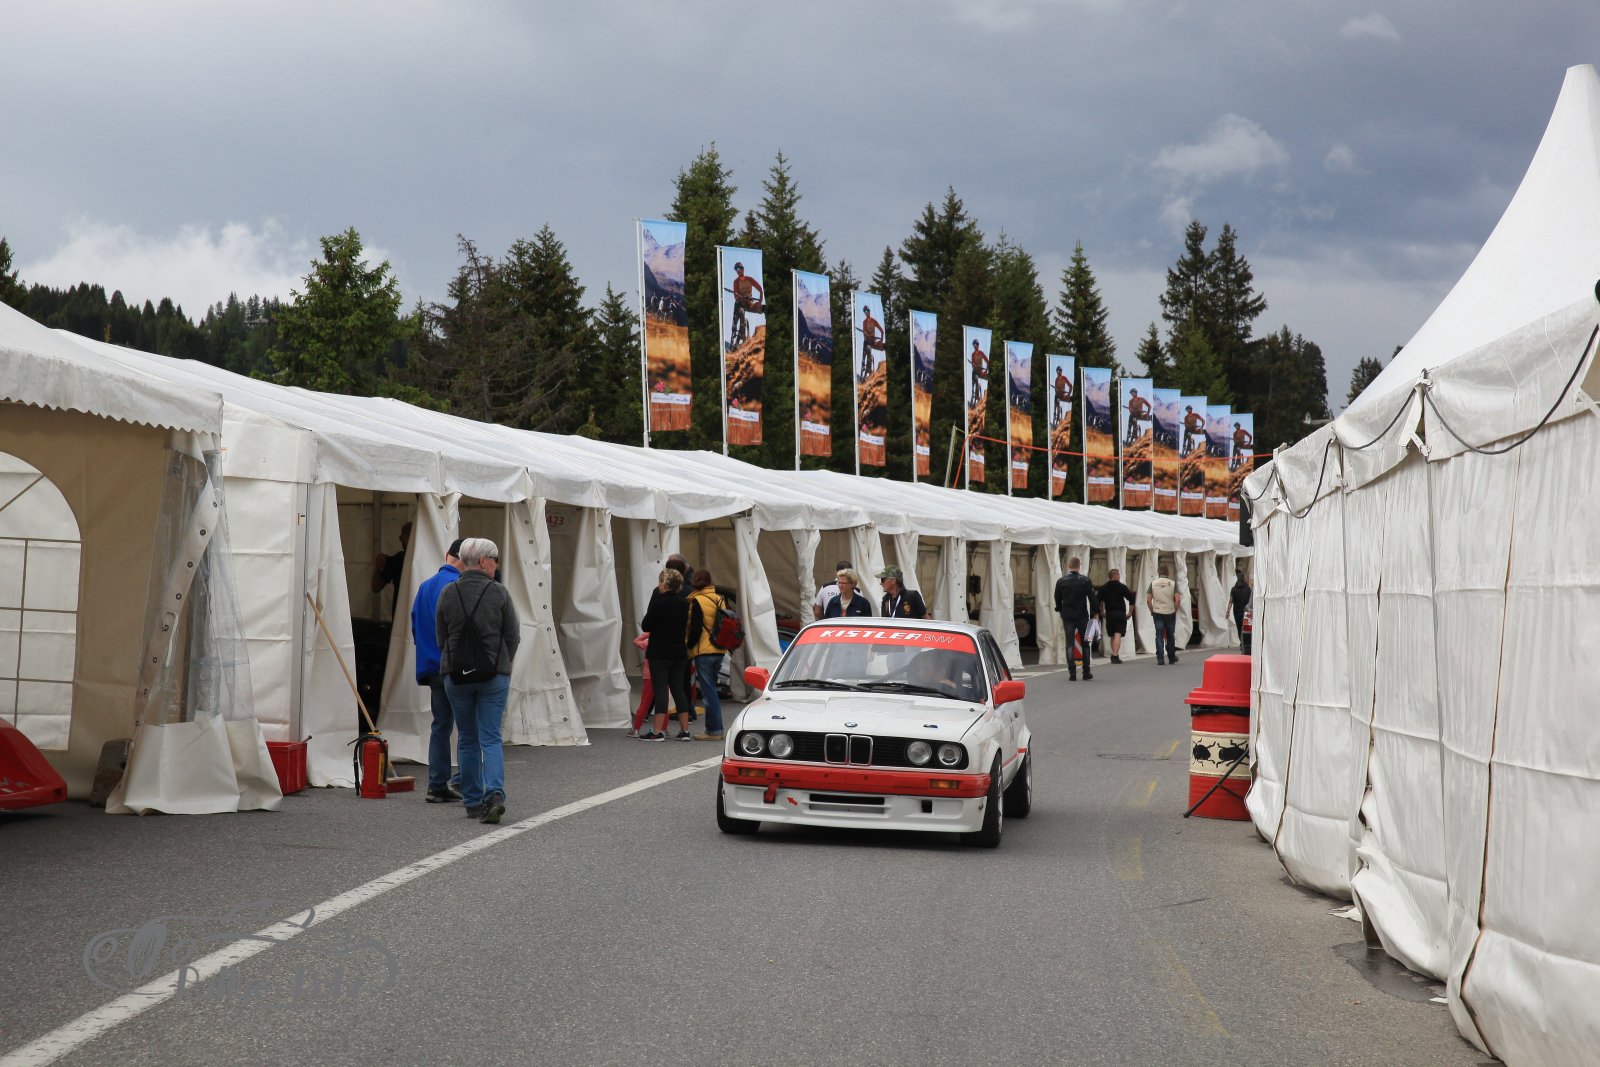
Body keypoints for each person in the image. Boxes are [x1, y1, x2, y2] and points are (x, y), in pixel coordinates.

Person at [436, 538, 519, 824]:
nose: (497, 565)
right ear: (484, 562)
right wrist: (502, 662)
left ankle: (472, 801)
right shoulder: (499, 593)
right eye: (495, 560)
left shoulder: (448, 592)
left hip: (456, 675)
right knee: (491, 736)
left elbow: (441, 636)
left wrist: (454, 660)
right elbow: (512, 635)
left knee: (467, 737)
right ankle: (494, 794)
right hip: (493, 675)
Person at [412, 537, 464, 803]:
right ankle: (464, 780)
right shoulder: (458, 586)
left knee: (441, 725)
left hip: (431, 664)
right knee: (468, 726)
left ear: (447, 555)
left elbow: (415, 626)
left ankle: (436, 784)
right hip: (455, 665)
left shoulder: (425, 586)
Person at [640, 567, 694, 741]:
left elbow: (646, 625)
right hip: (679, 651)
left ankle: (657, 732)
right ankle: (685, 731)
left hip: (659, 652)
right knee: (678, 689)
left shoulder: (658, 603)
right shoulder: (685, 604)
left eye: (660, 581)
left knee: (661, 690)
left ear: (664, 584)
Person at [686, 569, 729, 742]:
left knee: (708, 691)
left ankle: (714, 730)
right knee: (711, 689)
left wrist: (688, 647)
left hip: (704, 651)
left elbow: (695, 629)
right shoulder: (719, 599)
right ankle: (713, 729)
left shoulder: (697, 600)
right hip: (719, 649)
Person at [1053, 556, 1097, 681]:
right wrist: (1095, 611)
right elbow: (1092, 597)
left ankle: (1072, 672)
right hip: (1082, 615)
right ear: (1079, 566)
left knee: (1070, 643)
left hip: (1067, 615)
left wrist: (1059, 608)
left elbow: (1057, 597)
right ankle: (1086, 671)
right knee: (1085, 643)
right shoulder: (1085, 580)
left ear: (1069, 566)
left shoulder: (1061, 581)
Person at [1097, 568, 1136, 664]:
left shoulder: (1104, 587)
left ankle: (1114, 653)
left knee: (1112, 635)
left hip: (1109, 614)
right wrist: (1130, 612)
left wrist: (1101, 612)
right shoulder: (1122, 587)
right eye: (1119, 574)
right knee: (1118, 634)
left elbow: (1098, 600)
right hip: (1120, 613)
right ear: (1117, 576)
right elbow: (1131, 599)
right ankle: (1115, 655)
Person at [372, 521, 412, 611]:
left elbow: (376, 587)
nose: (400, 539)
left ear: (406, 538)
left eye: (402, 536)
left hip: (400, 613)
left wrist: (378, 568)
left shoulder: (398, 559)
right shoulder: (427, 558)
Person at [1147, 564, 1182, 665]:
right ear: (1168, 573)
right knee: (1170, 635)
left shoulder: (1153, 584)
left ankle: (1160, 658)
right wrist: (1175, 610)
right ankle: (1171, 657)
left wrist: (1152, 611)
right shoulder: (1173, 584)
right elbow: (1178, 600)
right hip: (1170, 612)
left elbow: (1148, 600)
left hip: (1157, 612)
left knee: (1159, 634)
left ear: (1158, 572)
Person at [859, 304, 883, 379]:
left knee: (870, 353)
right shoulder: (864, 322)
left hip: (873, 341)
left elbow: (882, 330)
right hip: (867, 341)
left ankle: (869, 369)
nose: (866, 312)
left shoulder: (874, 321)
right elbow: (864, 332)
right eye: (865, 311)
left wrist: (881, 340)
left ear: (869, 311)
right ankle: (863, 366)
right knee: (865, 352)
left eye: (867, 311)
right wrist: (866, 335)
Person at [1230, 570, 1252, 647]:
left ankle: (1241, 640)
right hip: (1246, 611)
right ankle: (1244, 641)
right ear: (1244, 579)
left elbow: (1231, 601)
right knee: (1246, 627)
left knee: (1239, 627)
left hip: (1236, 611)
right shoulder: (1248, 589)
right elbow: (1251, 600)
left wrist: (1227, 611)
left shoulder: (1233, 589)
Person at [969, 338, 989, 407]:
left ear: (978, 345)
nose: (975, 346)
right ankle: (973, 396)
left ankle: (978, 395)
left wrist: (986, 369)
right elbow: (972, 364)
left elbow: (987, 361)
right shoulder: (973, 354)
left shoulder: (981, 353)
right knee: (973, 383)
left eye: (976, 345)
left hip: (980, 371)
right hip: (975, 371)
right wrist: (974, 365)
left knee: (982, 378)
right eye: (974, 345)